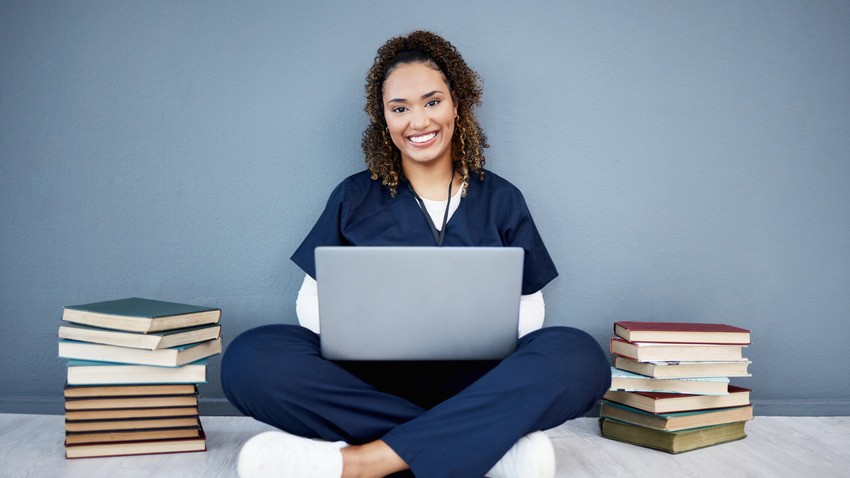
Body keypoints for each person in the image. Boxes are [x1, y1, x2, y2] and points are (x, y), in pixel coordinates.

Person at [221, 30, 611, 478]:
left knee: (579, 356)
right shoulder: (354, 196)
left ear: (456, 102)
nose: (419, 122)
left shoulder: (501, 199)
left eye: (432, 102)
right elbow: (310, 303)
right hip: (366, 383)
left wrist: (472, 333)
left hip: (479, 384)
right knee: (250, 358)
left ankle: (366, 460)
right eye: (399, 108)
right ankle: (484, 447)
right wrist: (362, 335)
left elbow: (530, 304)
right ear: (384, 120)